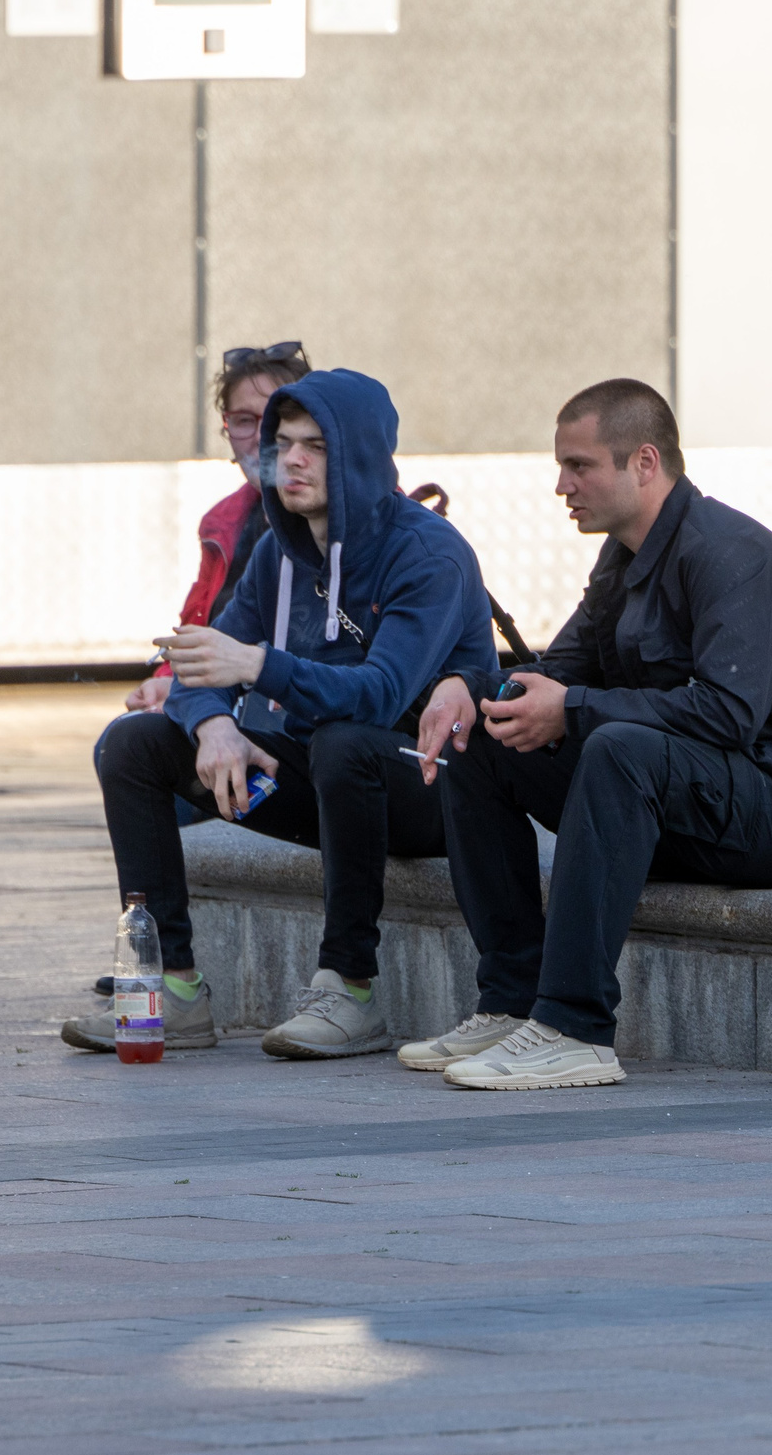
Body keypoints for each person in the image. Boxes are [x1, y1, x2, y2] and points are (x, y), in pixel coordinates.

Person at [403, 379, 772, 1089]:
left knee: (616, 744)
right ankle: (511, 1001)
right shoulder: (624, 556)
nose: (561, 484)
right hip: (700, 797)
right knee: (487, 736)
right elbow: (557, 671)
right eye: (560, 466)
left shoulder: (730, 554)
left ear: (645, 463)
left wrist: (579, 707)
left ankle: (574, 1027)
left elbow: (725, 715)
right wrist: (467, 689)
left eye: (580, 465)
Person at [68, 370, 495, 1059]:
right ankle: (171, 989)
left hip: (438, 787)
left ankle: (349, 986)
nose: (291, 459)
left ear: (358, 454)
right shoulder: (278, 549)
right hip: (330, 779)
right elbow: (199, 667)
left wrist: (257, 665)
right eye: (284, 442)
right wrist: (215, 725)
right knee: (134, 744)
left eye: (315, 446)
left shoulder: (428, 552)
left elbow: (381, 695)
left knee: (345, 738)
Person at [125, 343, 312, 717]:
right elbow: (202, 628)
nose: (262, 437)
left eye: (277, 418)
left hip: (312, 707)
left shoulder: (364, 518)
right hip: (229, 699)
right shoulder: (224, 523)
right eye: (244, 421)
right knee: (127, 741)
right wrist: (167, 682)